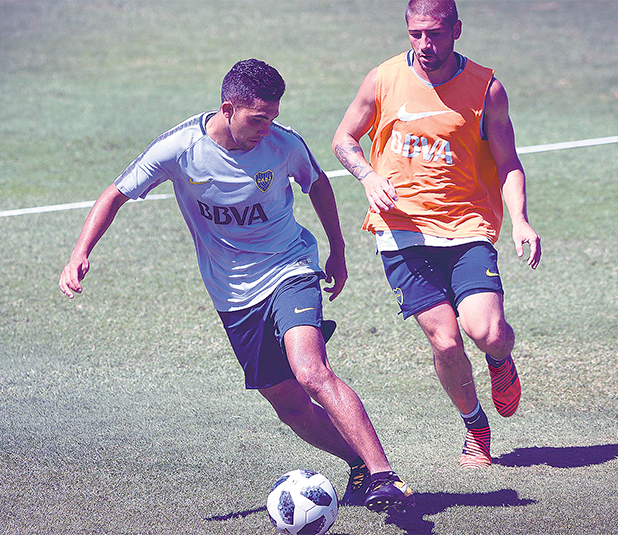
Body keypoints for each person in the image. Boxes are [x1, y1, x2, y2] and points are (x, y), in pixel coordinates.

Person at [59, 59, 414, 512]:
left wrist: (337, 251)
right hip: (232, 294)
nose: (267, 126)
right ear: (228, 108)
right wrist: (80, 252)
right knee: (289, 406)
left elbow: (318, 184)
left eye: (273, 116)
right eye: (258, 118)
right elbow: (116, 193)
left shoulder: (283, 145)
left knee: (310, 371)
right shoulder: (179, 149)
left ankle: (386, 475)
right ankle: (358, 465)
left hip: (290, 267)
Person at [332, 0, 542, 468]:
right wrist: (367, 176)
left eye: (435, 34)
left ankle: (500, 360)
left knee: (485, 332)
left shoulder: (487, 88)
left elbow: (508, 162)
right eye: (416, 34)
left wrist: (522, 219)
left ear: (456, 30)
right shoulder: (383, 78)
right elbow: (344, 138)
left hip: (467, 226)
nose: (425, 45)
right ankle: (476, 429)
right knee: (446, 341)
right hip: (401, 231)